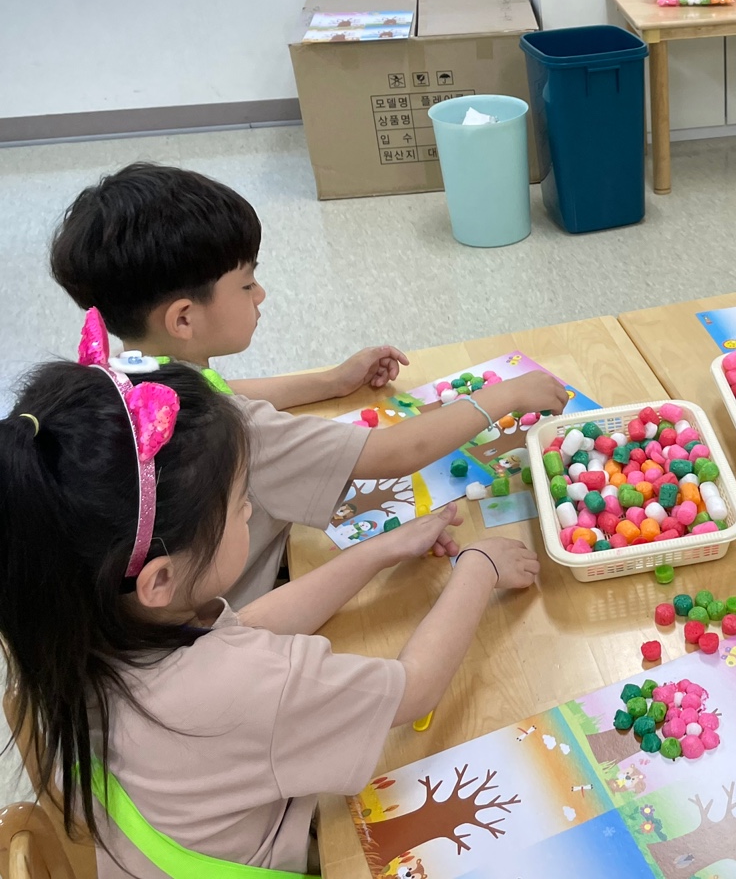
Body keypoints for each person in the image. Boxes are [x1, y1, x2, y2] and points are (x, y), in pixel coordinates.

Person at [0, 319, 541, 878]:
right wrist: (479, 569)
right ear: (158, 579)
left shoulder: (80, 627)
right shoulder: (252, 688)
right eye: (239, 505)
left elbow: (246, 628)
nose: (253, 512)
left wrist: (375, 553)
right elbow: (416, 689)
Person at [50, 163, 567, 604]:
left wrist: (330, 381)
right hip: (235, 623)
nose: (261, 295)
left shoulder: (125, 377)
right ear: (184, 319)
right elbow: (393, 452)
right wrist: (509, 394)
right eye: (247, 283)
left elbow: (223, 389)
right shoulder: (231, 432)